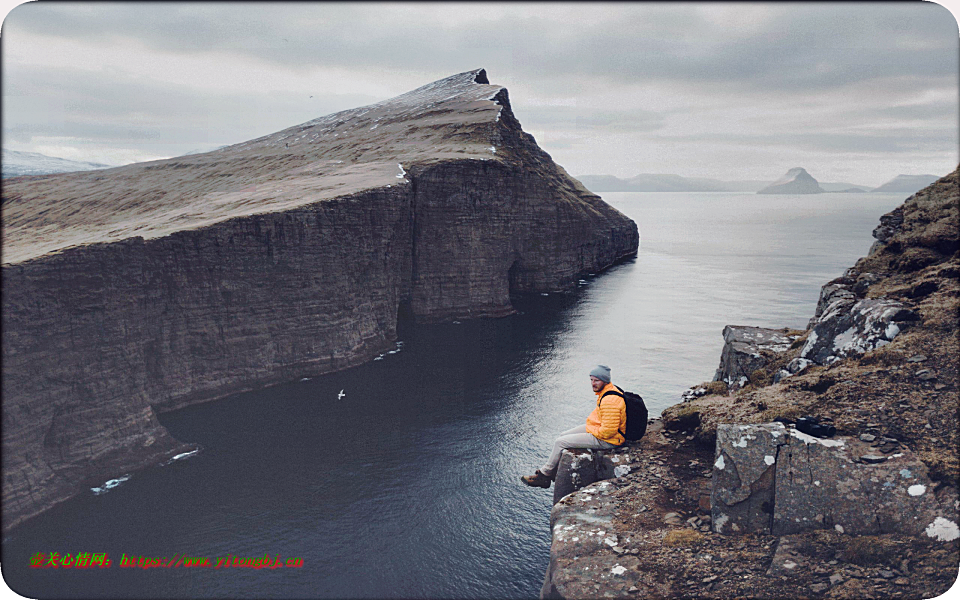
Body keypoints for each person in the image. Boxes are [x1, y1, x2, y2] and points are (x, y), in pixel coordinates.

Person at [521, 365, 626, 488]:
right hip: (600, 430)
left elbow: (608, 431)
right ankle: (553, 472)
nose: (593, 383)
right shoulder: (607, 392)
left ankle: (544, 476)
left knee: (560, 442)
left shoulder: (609, 400)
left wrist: (590, 431)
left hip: (609, 440)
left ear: (605, 381)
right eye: (591, 380)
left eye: (596, 380)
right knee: (563, 435)